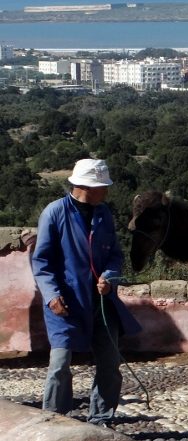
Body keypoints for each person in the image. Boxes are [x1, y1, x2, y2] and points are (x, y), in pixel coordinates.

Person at [31, 158, 141, 427]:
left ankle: (101, 419)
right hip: (64, 302)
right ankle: (54, 420)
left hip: (101, 303)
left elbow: (115, 255)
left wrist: (109, 276)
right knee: (59, 364)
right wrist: (51, 295)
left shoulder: (104, 214)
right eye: (102, 186)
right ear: (86, 186)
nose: (106, 191)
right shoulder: (54, 213)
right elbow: (41, 261)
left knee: (109, 363)